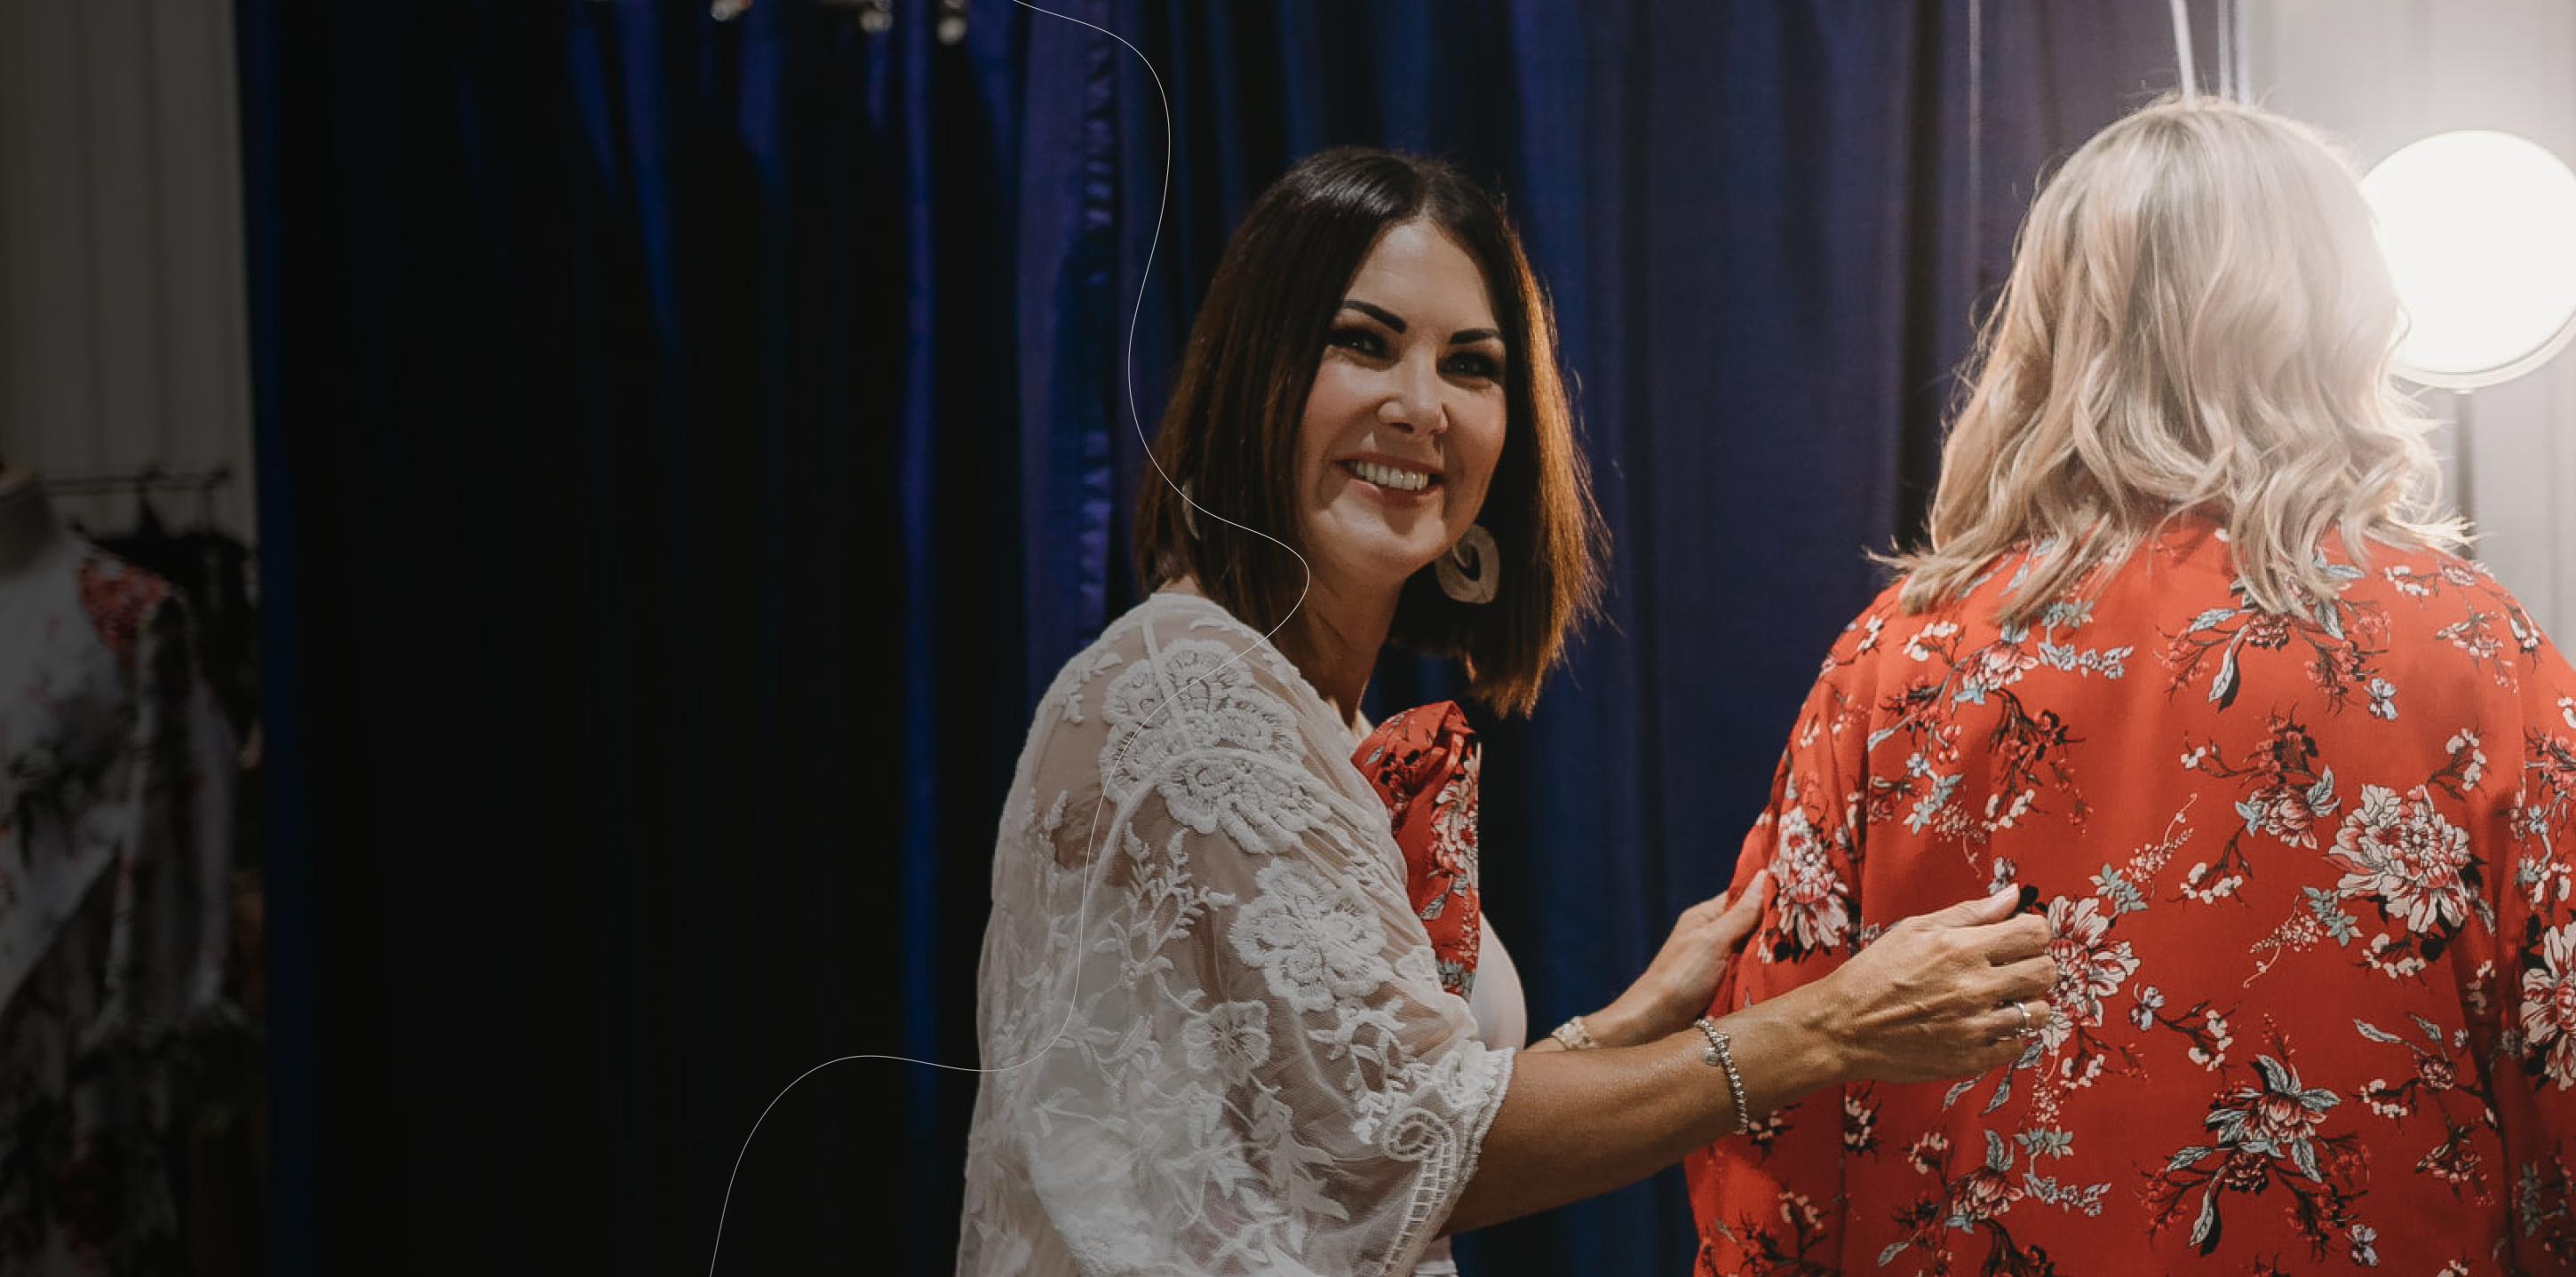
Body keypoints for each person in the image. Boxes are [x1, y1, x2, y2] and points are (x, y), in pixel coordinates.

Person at [957, 147, 2057, 1277]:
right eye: (1363, 342)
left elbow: (1368, 1129)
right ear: (1256, 370)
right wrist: (1826, 1029)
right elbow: (1425, 1149)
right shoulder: (1193, 697)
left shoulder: (1305, 712)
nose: (1419, 407)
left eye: (1469, 365)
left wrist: (1633, 1020)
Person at [1685, 95, 2576, 1275]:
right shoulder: (2472, 649)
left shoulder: (1892, 659)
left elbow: (1774, 1115)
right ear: (2340, 321)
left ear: (2054, 332)